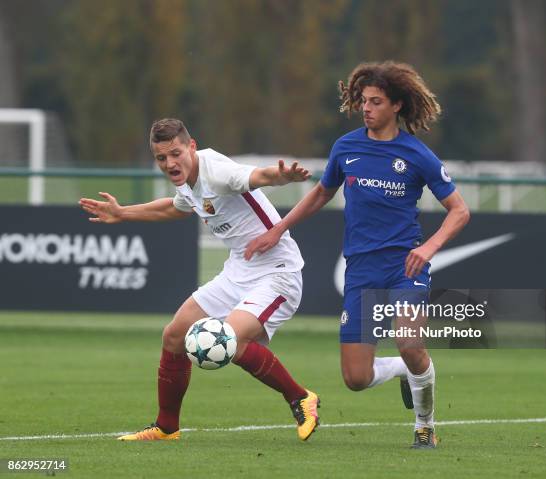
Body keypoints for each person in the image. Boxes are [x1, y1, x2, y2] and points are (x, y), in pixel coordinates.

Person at [245, 61, 470, 449]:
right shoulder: (346, 147)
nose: (366, 107)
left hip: (405, 266)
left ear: (396, 105)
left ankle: (425, 425)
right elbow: (321, 193)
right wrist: (279, 227)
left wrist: (428, 247)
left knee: (410, 342)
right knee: (355, 379)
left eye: (376, 101)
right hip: (361, 270)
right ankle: (405, 371)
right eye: (363, 100)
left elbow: (460, 210)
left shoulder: (417, 155)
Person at [79, 118, 320, 441]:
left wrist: (281, 177)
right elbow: (178, 207)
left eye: (176, 153)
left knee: (230, 341)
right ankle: (166, 427)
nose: (170, 163)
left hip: (277, 273)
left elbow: (255, 176)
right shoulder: (186, 179)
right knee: (174, 335)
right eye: (161, 158)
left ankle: (300, 397)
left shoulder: (216, 171)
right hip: (238, 270)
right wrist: (123, 213)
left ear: (191, 146)